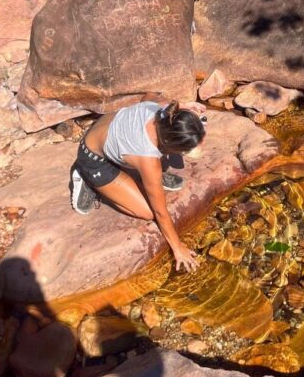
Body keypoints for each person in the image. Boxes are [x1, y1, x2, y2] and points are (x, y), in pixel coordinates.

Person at [71, 100, 206, 272]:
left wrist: (185, 107)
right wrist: (178, 248)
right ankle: (85, 177)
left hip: (103, 129)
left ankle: (148, 179)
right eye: (184, 150)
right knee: (147, 211)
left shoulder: (161, 111)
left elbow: (147, 96)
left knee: (153, 171)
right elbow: (160, 212)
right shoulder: (149, 161)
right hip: (93, 160)